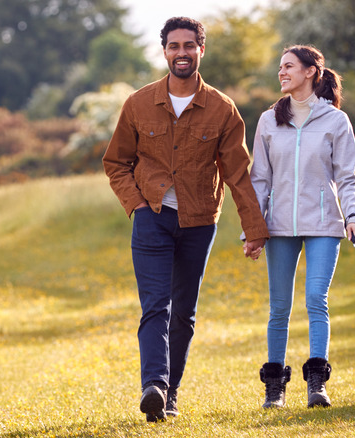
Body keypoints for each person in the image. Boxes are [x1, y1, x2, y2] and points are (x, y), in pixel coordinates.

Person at [102, 16, 269, 422]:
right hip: (152, 217)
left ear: (201, 50)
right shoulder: (139, 104)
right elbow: (115, 162)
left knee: (184, 312)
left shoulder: (223, 109)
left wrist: (254, 229)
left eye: (188, 46)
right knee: (155, 304)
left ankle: (170, 392)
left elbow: (237, 174)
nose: (181, 53)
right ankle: (154, 386)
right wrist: (137, 206)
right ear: (164, 51)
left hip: (199, 222)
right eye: (174, 46)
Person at [244, 45, 355, 409]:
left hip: (325, 224)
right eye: (280, 67)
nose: (281, 72)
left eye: (289, 66)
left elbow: (347, 177)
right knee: (279, 307)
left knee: (316, 299)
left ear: (312, 71)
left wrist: (353, 216)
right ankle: (275, 389)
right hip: (279, 225)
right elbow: (259, 180)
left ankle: (316, 385)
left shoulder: (335, 121)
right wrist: (253, 230)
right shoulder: (268, 121)